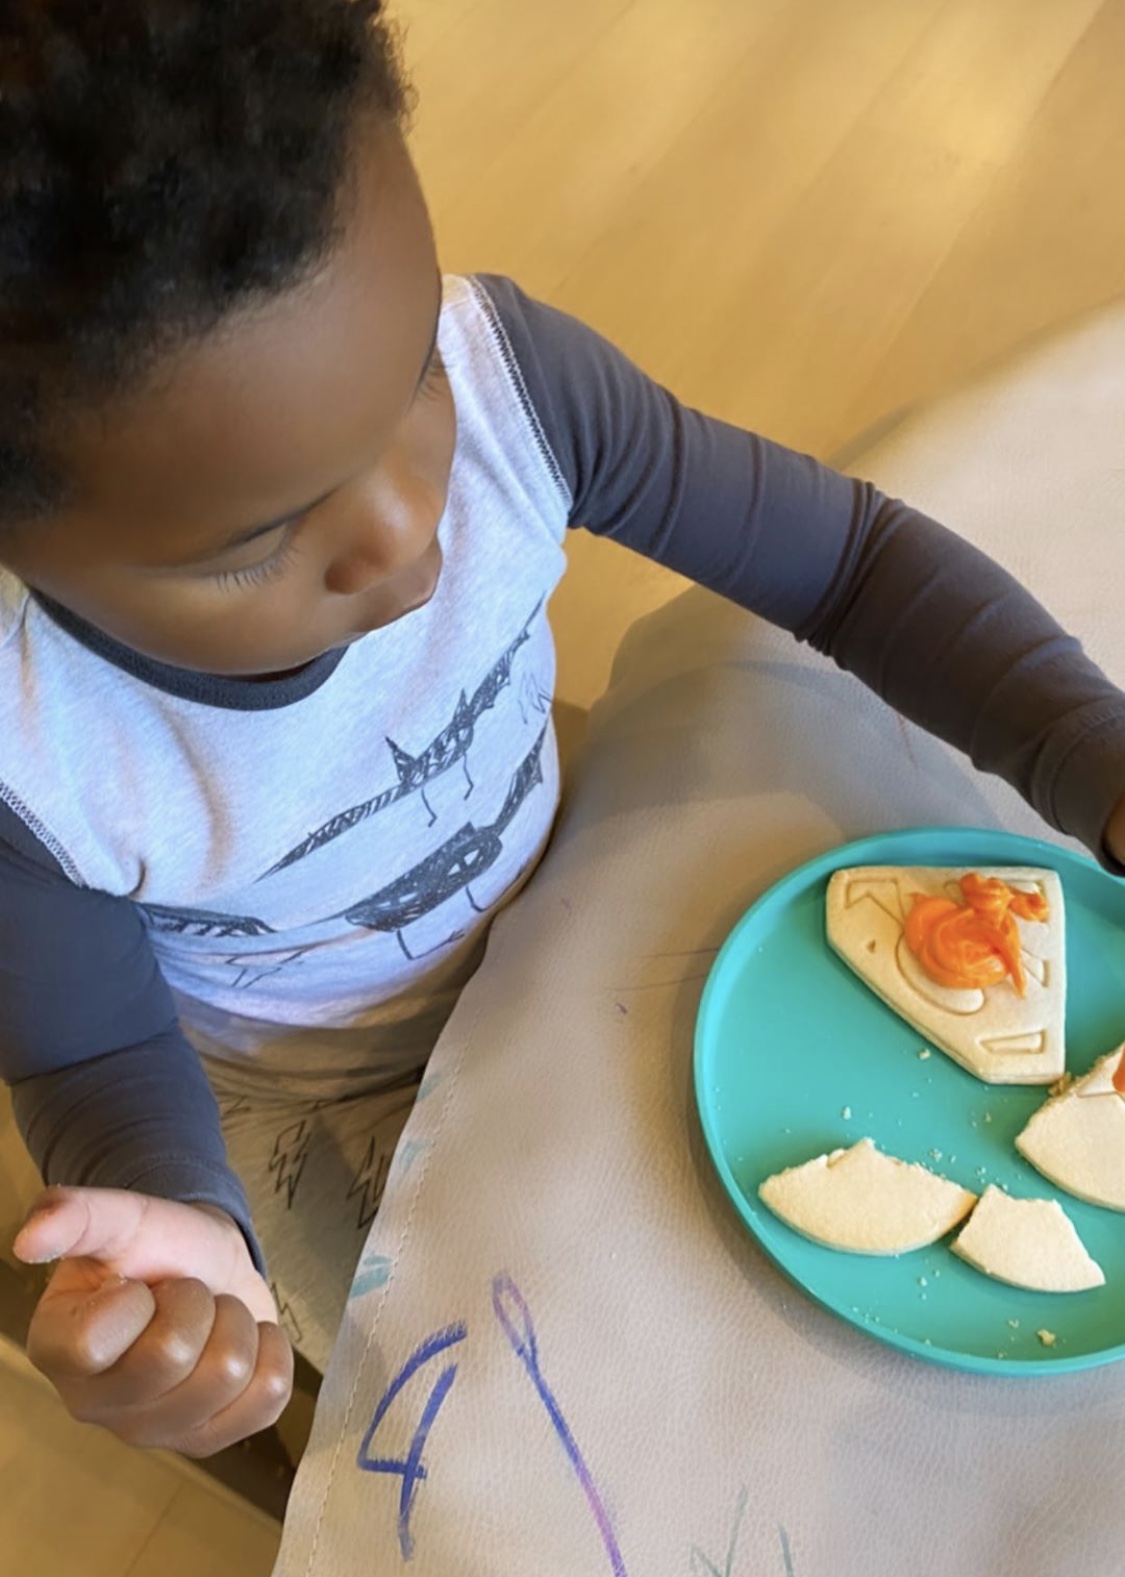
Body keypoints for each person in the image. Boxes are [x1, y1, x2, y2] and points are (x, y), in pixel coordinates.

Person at [3, 0, 1124, 1460]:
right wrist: (175, 1238)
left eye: (406, 378)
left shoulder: (508, 376)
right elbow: (91, 1059)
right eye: (250, 542)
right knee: (515, 1422)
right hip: (318, 1089)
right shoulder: (36, 761)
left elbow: (850, 566)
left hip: (584, 896)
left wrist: (1083, 747)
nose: (410, 530)